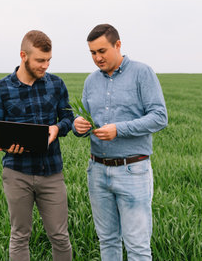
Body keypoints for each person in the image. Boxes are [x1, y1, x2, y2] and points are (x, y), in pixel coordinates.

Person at [73, 24, 168, 260]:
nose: (97, 58)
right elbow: (87, 120)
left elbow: (159, 117)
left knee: (137, 247)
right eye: (93, 53)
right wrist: (79, 126)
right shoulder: (90, 81)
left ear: (118, 45)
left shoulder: (142, 73)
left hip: (132, 170)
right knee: (107, 242)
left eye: (102, 51)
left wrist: (119, 129)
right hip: (97, 171)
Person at [0, 30, 74, 260]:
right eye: (40, 60)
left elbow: (68, 118)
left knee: (60, 236)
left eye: (48, 60)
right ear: (23, 56)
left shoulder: (56, 85)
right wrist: (6, 146)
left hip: (51, 172)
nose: (45, 66)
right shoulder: (0, 90)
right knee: (20, 235)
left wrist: (58, 128)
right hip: (17, 173)